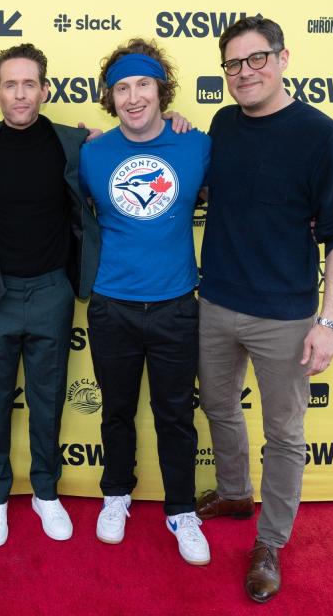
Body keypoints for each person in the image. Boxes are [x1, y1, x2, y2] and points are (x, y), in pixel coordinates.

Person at [196, 17, 333, 602]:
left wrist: (330, 320)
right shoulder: (221, 123)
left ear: (283, 58)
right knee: (218, 406)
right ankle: (235, 491)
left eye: (256, 59)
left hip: (286, 316)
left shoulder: (323, 136)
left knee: (285, 433)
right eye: (234, 64)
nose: (245, 73)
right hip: (215, 300)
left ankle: (270, 541)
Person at [0, 43, 101, 547]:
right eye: (10, 85)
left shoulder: (74, 143)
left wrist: (172, 119)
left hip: (53, 292)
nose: (20, 94)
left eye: (29, 84)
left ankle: (45, 492)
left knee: (48, 400)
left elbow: (136, 141)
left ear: (45, 88)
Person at [79, 38, 210, 565]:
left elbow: (245, 193)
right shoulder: (93, 152)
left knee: (176, 414)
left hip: (177, 304)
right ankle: (116, 495)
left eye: (144, 85)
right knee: (115, 411)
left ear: (161, 91)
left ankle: (181, 510)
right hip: (112, 306)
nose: (134, 97)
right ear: (112, 97)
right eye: (123, 87)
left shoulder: (196, 145)